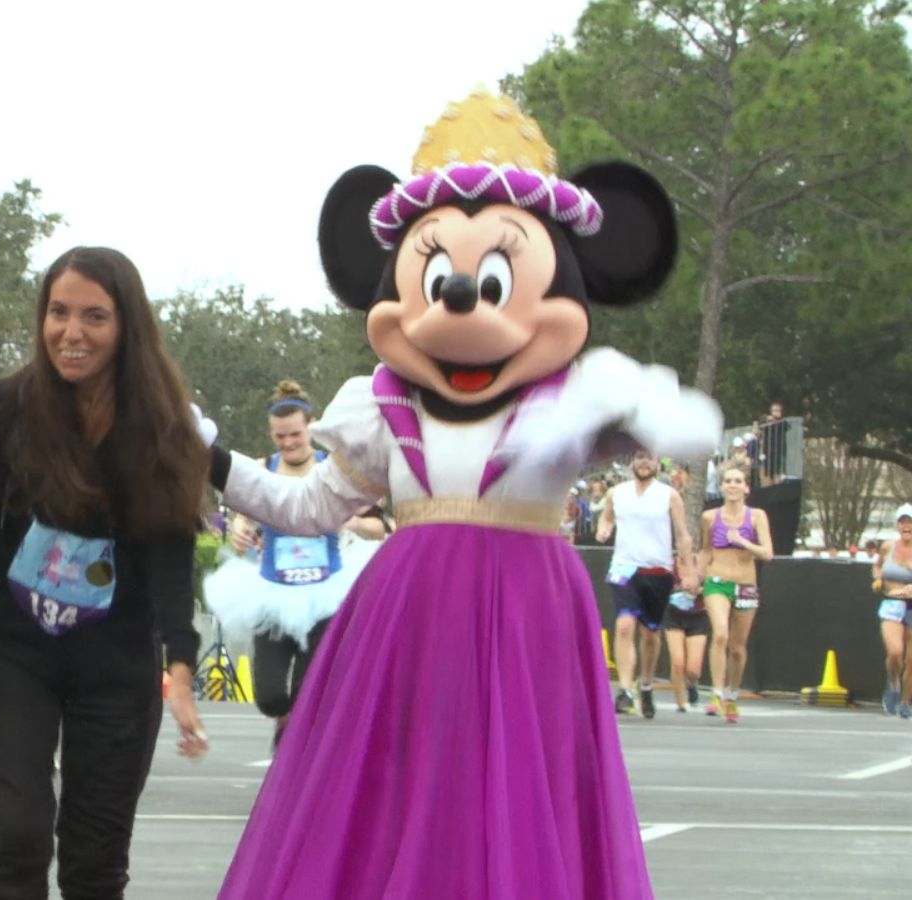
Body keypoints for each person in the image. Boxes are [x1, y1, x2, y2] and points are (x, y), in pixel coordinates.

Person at [208, 90, 720, 898]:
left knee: (526, 787)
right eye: (441, 271)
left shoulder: (572, 403)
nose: (460, 298)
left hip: (528, 620)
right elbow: (307, 508)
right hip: (407, 622)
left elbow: (688, 433)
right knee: (404, 789)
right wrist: (211, 460)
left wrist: (639, 400)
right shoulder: (379, 408)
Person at [0, 246, 211, 899]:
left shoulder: (160, 427)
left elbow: (168, 558)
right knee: (19, 837)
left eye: (95, 316)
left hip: (117, 666)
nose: (72, 332)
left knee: (95, 860)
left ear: (128, 326)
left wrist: (180, 665)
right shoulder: (7, 407)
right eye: (59, 312)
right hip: (17, 658)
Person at [205, 380, 383, 751]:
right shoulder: (262, 468)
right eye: (280, 437)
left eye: (295, 435)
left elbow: (383, 525)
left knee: (308, 693)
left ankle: (295, 753)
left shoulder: (334, 472)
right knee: (269, 695)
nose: (287, 443)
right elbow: (244, 512)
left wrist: (350, 522)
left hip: (325, 594)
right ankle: (285, 724)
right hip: (274, 593)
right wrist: (240, 529)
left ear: (312, 427)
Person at [597, 449, 695, 720]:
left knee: (651, 634)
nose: (643, 462)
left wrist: (688, 571)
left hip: (658, 570)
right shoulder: (617, 493)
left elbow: (683, 535)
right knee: (625, 624)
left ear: (657, 464)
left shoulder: (669, 495)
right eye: (638, 456)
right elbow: (606, 516)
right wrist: (603, 529)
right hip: (624, 568)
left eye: (649, 458)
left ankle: (647, 684)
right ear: (632, 462)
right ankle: (625, 691)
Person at [697, 464, 774, 723]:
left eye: (737, 481)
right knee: (720, 634)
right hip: (717, 581)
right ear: (721, 486)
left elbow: (768, 553)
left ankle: (731, 695)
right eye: (728, 480)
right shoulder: (709, 517)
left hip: (746, 584)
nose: (732, 485)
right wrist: (695, 575)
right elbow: (706, 550)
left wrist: (744, 541)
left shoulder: (757, 516)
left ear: (746, 487)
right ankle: (716, 693)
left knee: (738, 648)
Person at [872, 503, 912, 717]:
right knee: (895, 652)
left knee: (911, 660)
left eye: (910, 522)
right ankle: (893, 682)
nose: (907, 526)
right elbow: (877, 565)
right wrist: (878, 578)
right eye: (903, 522)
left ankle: (906, 701)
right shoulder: (888, 546)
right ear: (898, 525)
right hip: (891, 603)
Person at [662, 555, 709, 712]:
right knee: (677, 662)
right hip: (673, 614)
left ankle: (691, 683)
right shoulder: (670, 564)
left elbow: (713, 586)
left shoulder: (703, 562)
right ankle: (681, 702)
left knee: (693, 669)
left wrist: (699, 588)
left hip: (697, 615)